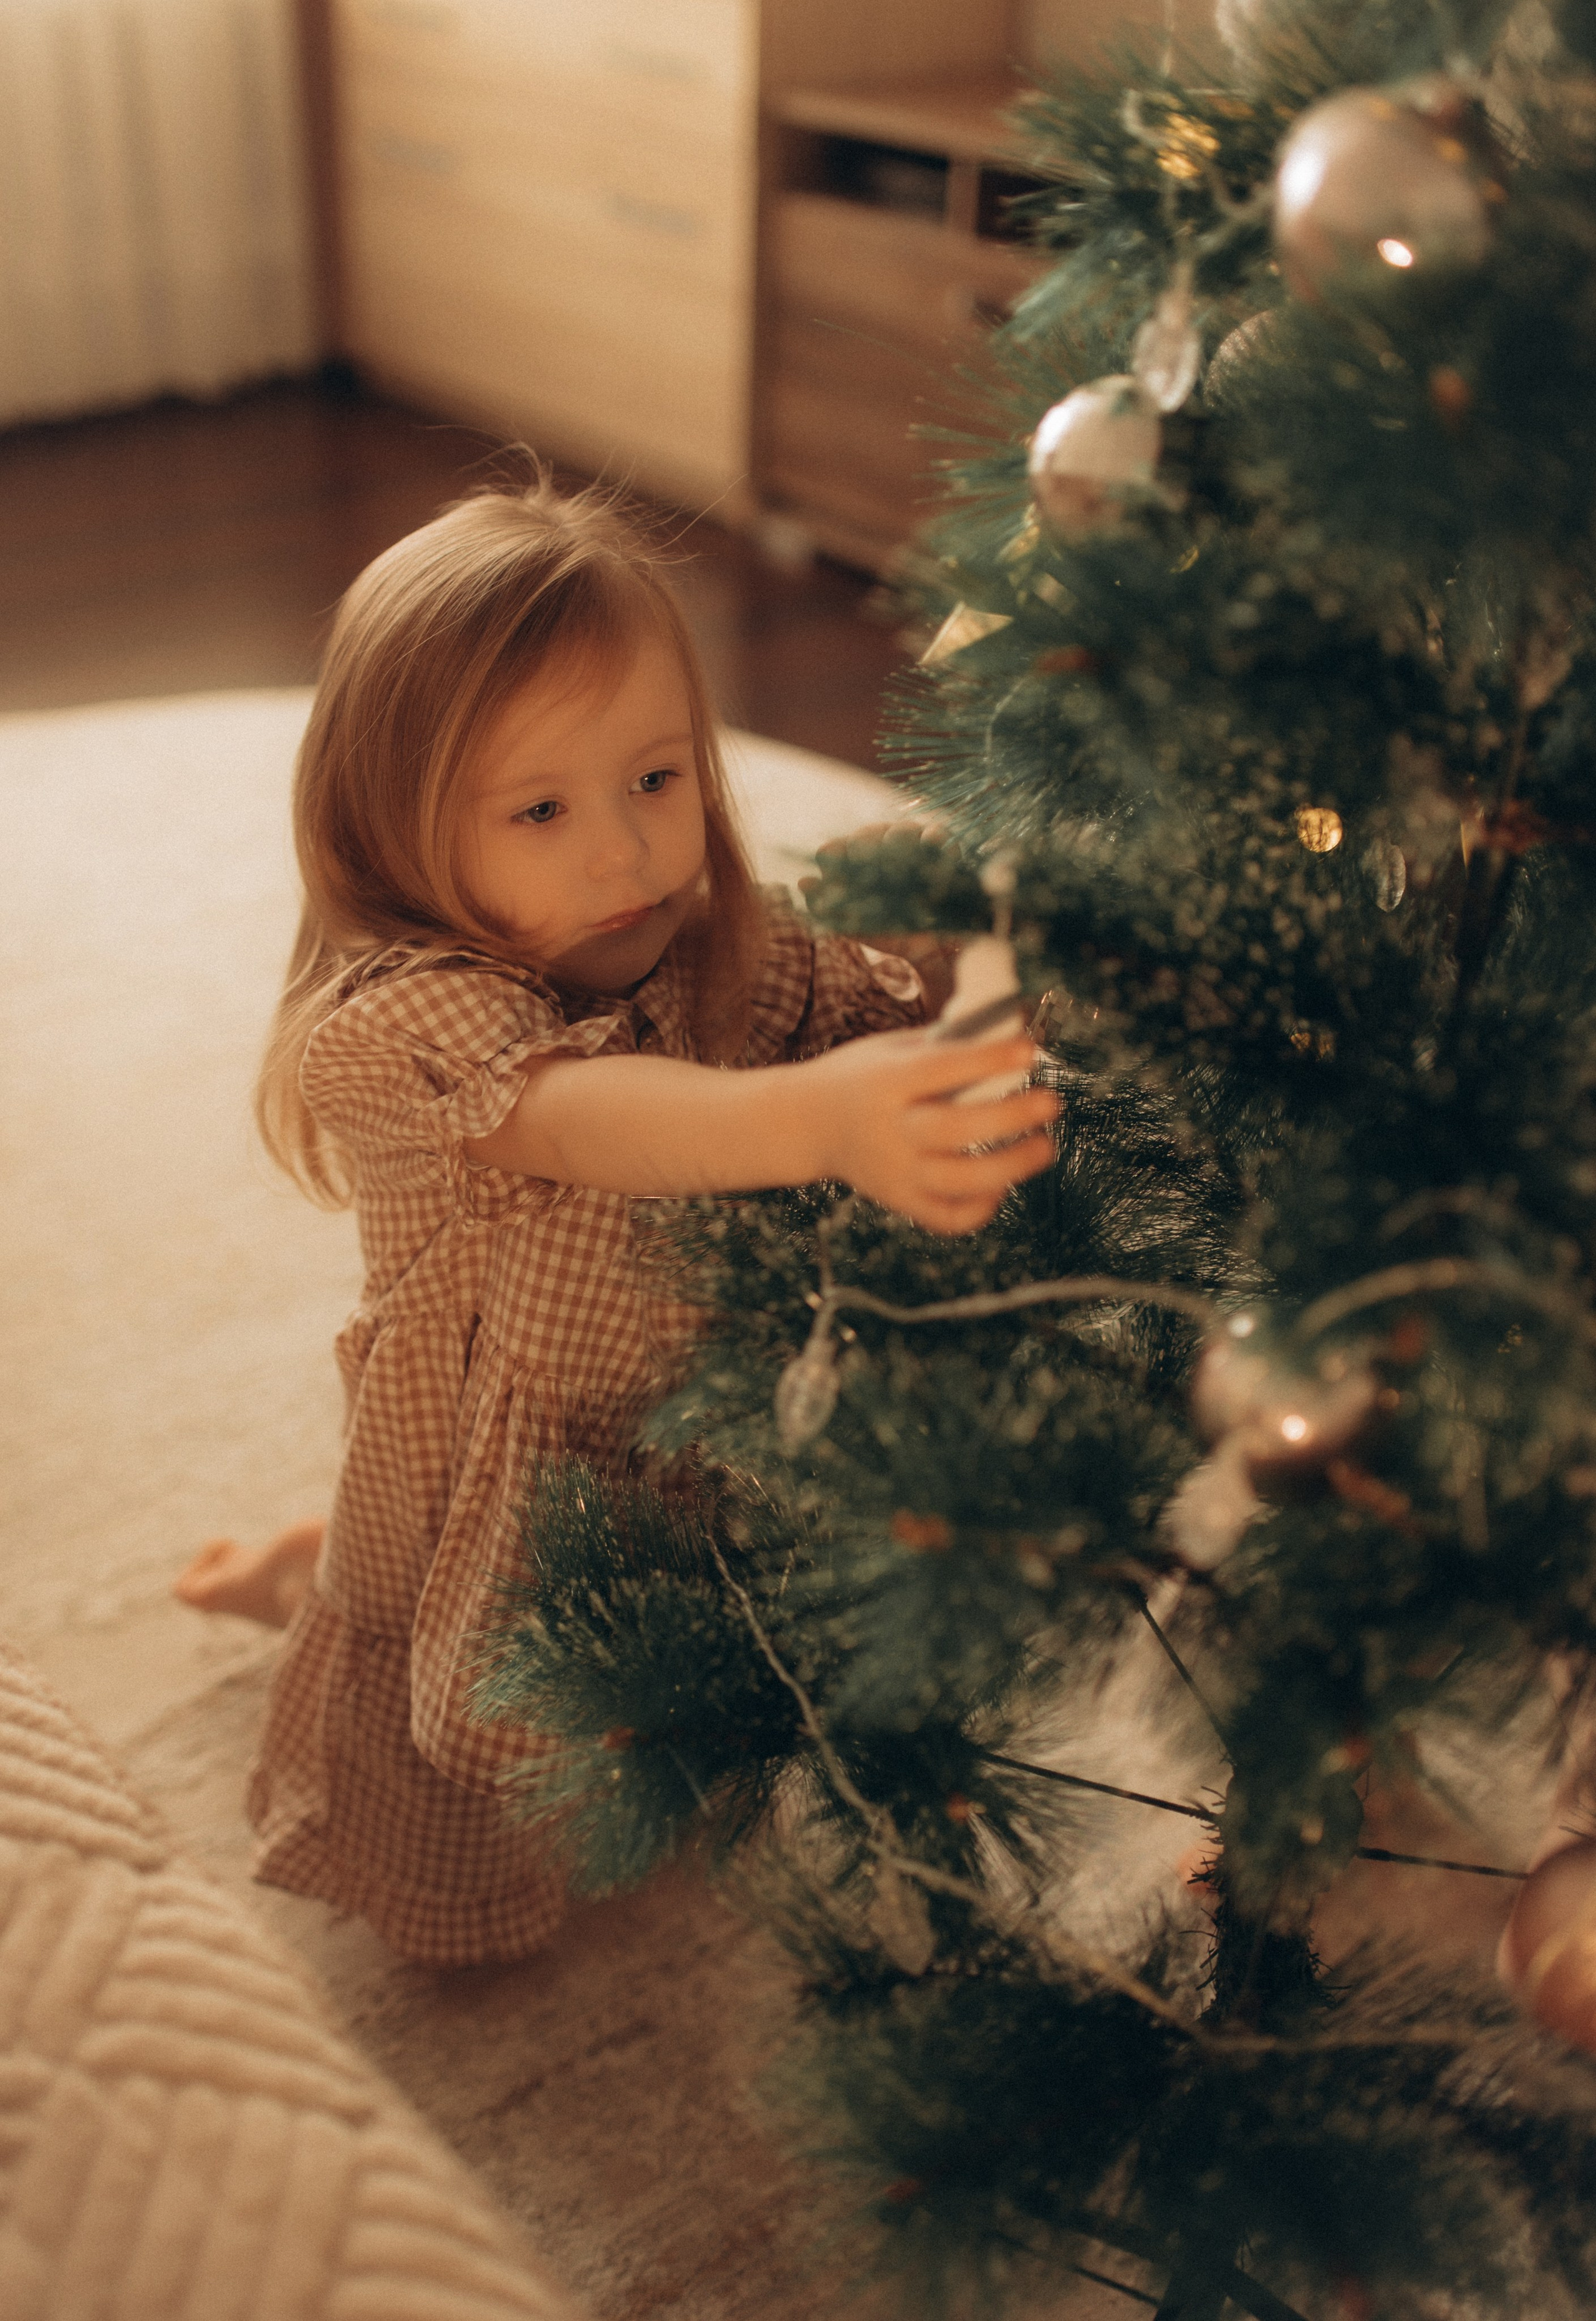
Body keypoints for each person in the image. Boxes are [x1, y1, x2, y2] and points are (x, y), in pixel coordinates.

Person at [175, 473, 1058, 1966]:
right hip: (497, 1438)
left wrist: (991, 970)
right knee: (453, 1737)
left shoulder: (689, 940)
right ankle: (302, 1574)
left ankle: (319, 1559)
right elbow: (594, 1120)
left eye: (656, 780)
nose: (625, 853)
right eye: (540, 809)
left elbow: (859, 988)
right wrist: (826, 1117)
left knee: (696, 1642)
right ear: (387, 838)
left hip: (683, 1405)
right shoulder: (400, 1023)